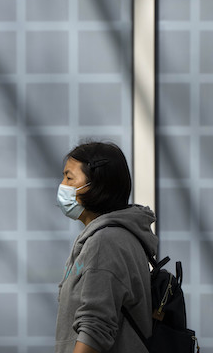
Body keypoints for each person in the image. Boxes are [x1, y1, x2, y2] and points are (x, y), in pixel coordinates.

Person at [54, 142, 158, 353]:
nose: (62, 185)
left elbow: (95, 327)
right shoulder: (115, 236)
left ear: (96, 185)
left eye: (69, 177)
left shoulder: (106, 241)